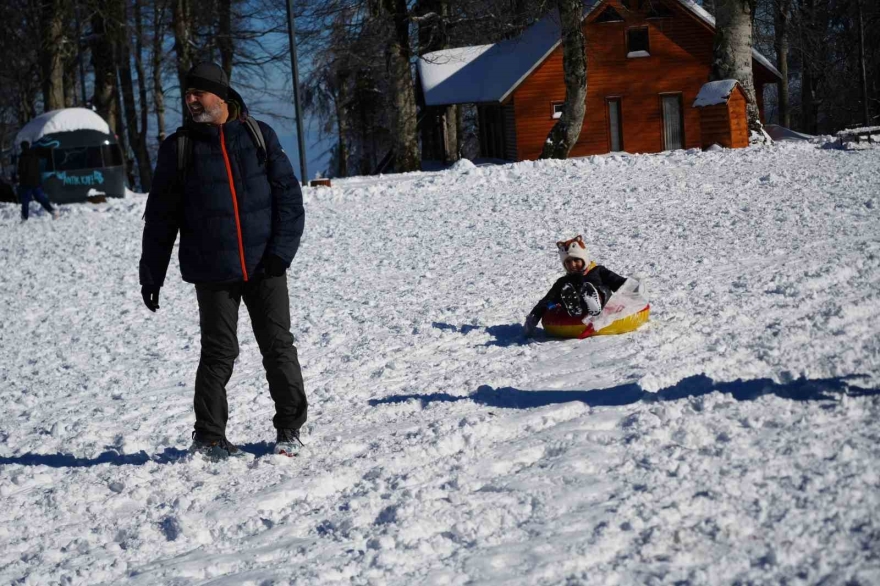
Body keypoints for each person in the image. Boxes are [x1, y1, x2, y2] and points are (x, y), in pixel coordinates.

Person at [139, 62, 307, 460]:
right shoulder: (179, 148)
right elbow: (161, 217)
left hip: (265, 263)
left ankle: (289, 429)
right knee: (217, 352)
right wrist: (152, 274)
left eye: (198, 93)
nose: (191, 101)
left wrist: (280, 254)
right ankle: (209, 436)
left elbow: (289, 199)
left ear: (221, 95)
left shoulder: (256, 136)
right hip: (212, 269)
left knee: (278, 345)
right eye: (187, 94)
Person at [523, 235, 628, 337]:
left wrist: (636, 288)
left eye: (576, 260)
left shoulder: (598, 271)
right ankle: (574, 305)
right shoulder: (563, 282)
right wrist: (534, 317)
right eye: (568, 262)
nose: (572, 265)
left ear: (584, 259)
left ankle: (595, 300)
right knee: (563, 292)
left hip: (599, 300)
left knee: (604, 289)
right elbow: (547, 300)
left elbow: (619, 282)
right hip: (575, 308)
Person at [17, 141, 58, 221]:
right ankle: (53, 211)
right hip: (36, 182)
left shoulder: (22, 157)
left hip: (26, 183)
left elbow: (21, 171)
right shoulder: (34, 155)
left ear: (22, 147)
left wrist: (18, 178)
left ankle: (24, 218)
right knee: (41, 198)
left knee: (25, 201)